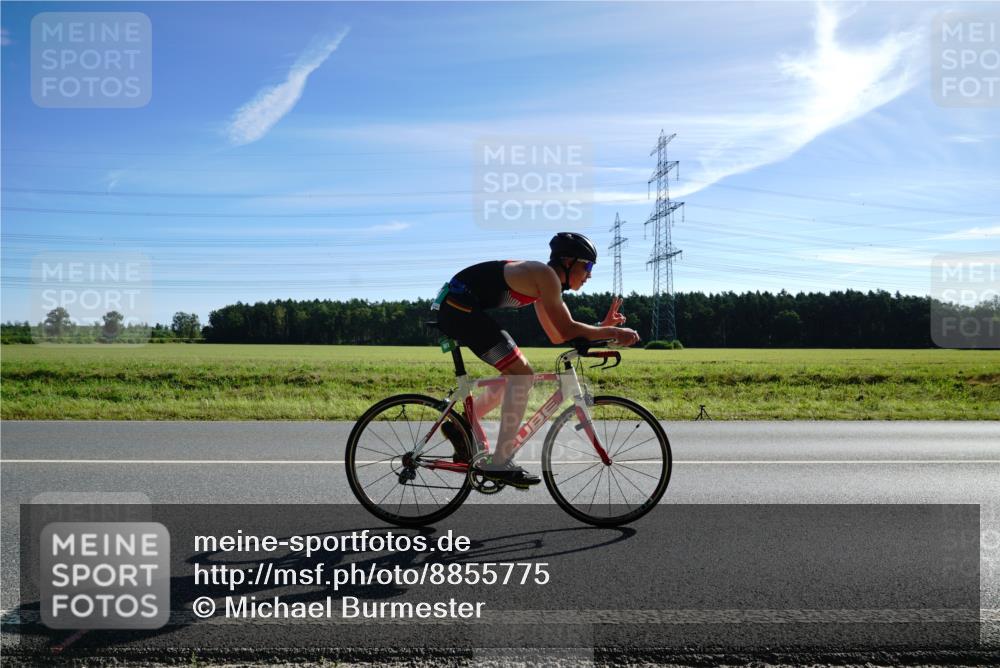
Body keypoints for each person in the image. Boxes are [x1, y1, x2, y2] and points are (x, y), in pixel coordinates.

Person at [431, 232, 641, 488]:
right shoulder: (545, 276)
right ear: (568, 261)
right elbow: (567, 330)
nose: (589, 275)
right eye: (587, 266)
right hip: (459, 307)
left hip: (457, 306)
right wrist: (613, 332)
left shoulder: (543, 282)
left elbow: (556, 334)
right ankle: (500, 462)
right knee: (522, 375)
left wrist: (600, 328)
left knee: (516, 375)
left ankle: (461, 427)